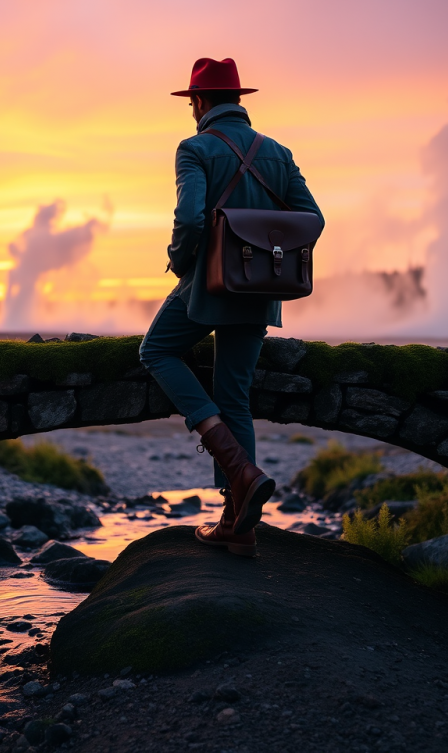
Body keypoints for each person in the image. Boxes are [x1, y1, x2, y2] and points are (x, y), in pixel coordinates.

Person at [139, 57, 324, 557]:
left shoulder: (194, 147)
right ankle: (238, 527)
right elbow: (313, 218)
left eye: (191, 101)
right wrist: (264, 244)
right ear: (239, 100)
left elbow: (191, 221)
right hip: (260, 288)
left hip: (208, 286)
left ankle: (240, 470)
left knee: (155, 352)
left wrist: (180, 263)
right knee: (235, 397)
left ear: (198, 102)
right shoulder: (279, 153)